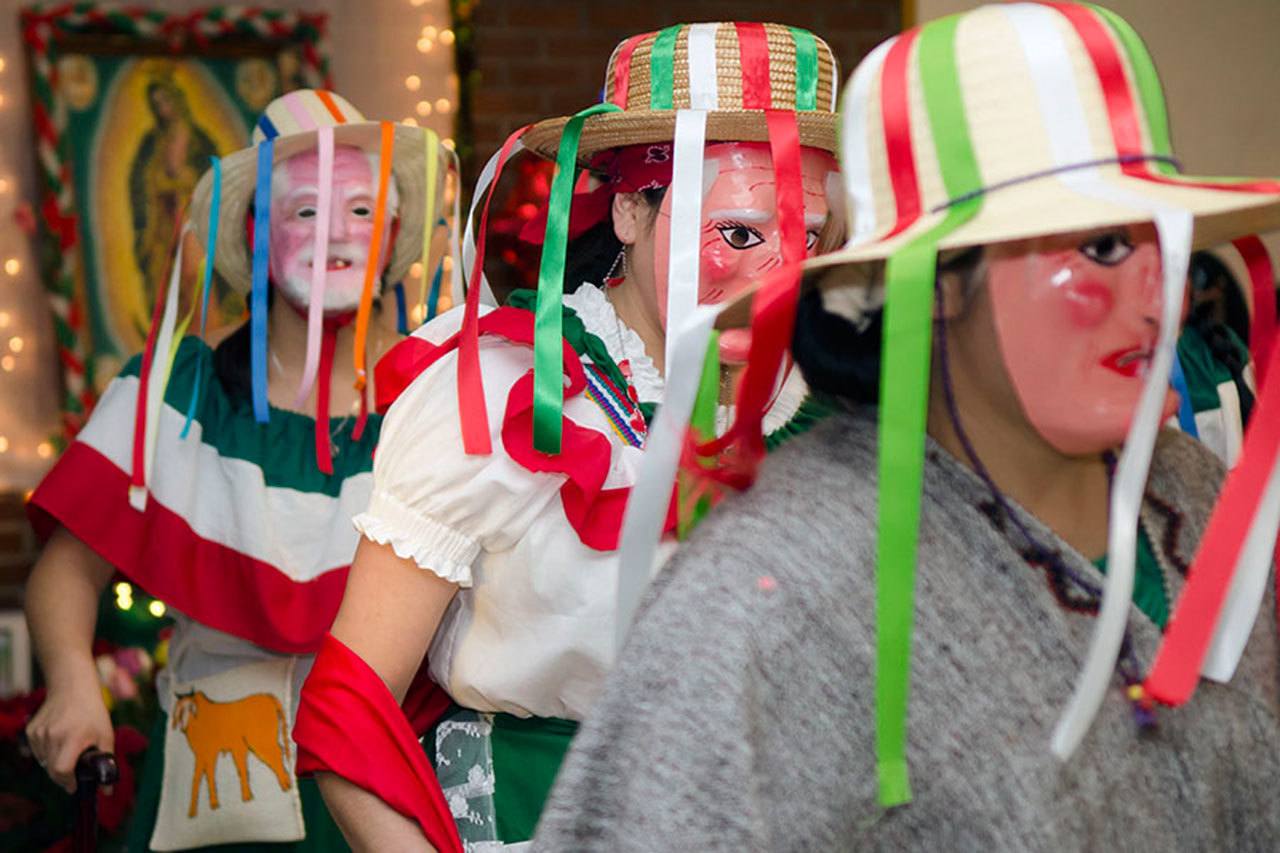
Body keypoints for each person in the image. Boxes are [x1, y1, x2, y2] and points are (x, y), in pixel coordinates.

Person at [533, 4, 1280, 850]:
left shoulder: (1190, 493)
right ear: (938, 285)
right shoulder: (771, 588)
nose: (1163, 300)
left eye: (1167, 245)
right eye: (1105, 246)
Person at [292, 22, 842, 852]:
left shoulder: (822, 409)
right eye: (738, 231)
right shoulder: (500, 395)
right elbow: (346, 709)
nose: (777, 277)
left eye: (807, 237)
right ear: (629, 209)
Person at [25, 89, 455, 850]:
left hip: (393, 773)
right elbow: (67, 568)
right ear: (256, 232)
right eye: (306, 212)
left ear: (392, 235)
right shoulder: (179, 389)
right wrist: (70, 678)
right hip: (214, 782)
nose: (338, 237)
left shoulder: (445, 395)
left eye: (361, 210)